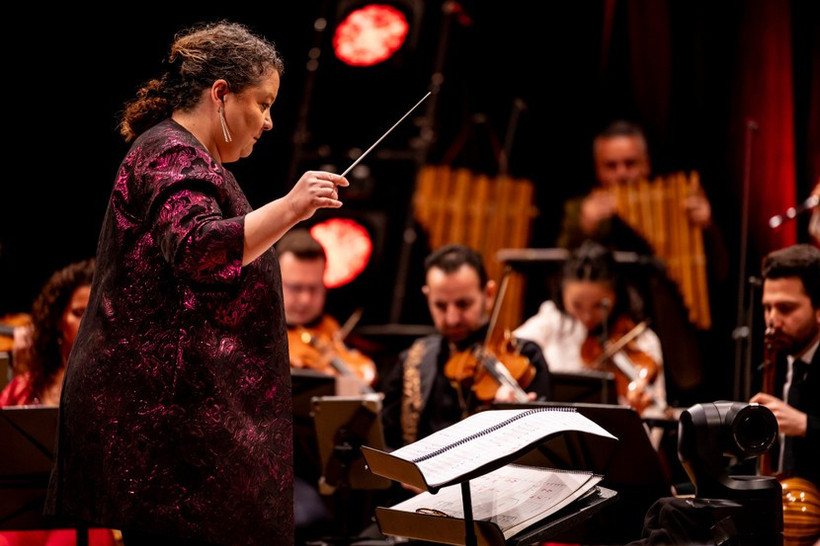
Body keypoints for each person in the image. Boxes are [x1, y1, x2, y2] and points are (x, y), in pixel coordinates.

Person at [44, 21, 349, 546]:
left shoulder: (194, 159)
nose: (270, 122)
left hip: (181, 434)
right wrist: (292, 207)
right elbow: (199, 248)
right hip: (165, 438)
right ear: (221, 94)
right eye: (263, 103)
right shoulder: (168, 151)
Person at [555, 120, 730, 407]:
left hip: (675, 344)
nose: (622, 174)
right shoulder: (579, 212)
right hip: (608, 347)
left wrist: (708, 229)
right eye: (611, 166)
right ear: (598, 170)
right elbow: (559, 279)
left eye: (630, 164)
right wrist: (583, 227)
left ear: (647, 165)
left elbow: (721, 275)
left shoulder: (679, 204)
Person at [380, 243, 552, 452]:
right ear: (428, 297)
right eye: (440, 306)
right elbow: (386, 442)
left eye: (463, 305)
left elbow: (541, 451)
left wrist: (504, 418)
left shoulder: (525, 357)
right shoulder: (412, 358)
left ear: (488, 295)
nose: (452, 319)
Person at [0, 258, 119, 546]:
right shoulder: (24, 387)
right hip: (26, 514)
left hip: (83, 516)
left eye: (95, 312)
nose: (89, 321)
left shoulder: (115, 384)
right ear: (57, 322)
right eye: (79, 312)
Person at [749, 244, 820, 490]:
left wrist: (805, 425)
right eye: (767, 308)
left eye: (786, 308)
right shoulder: (770, 356)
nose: (772, 320)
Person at [277, 228, 377, 391]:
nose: (305, 299)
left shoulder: (330, 328)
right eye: (295, 288)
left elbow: (364, 372)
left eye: (314, 288)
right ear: (275, 280)